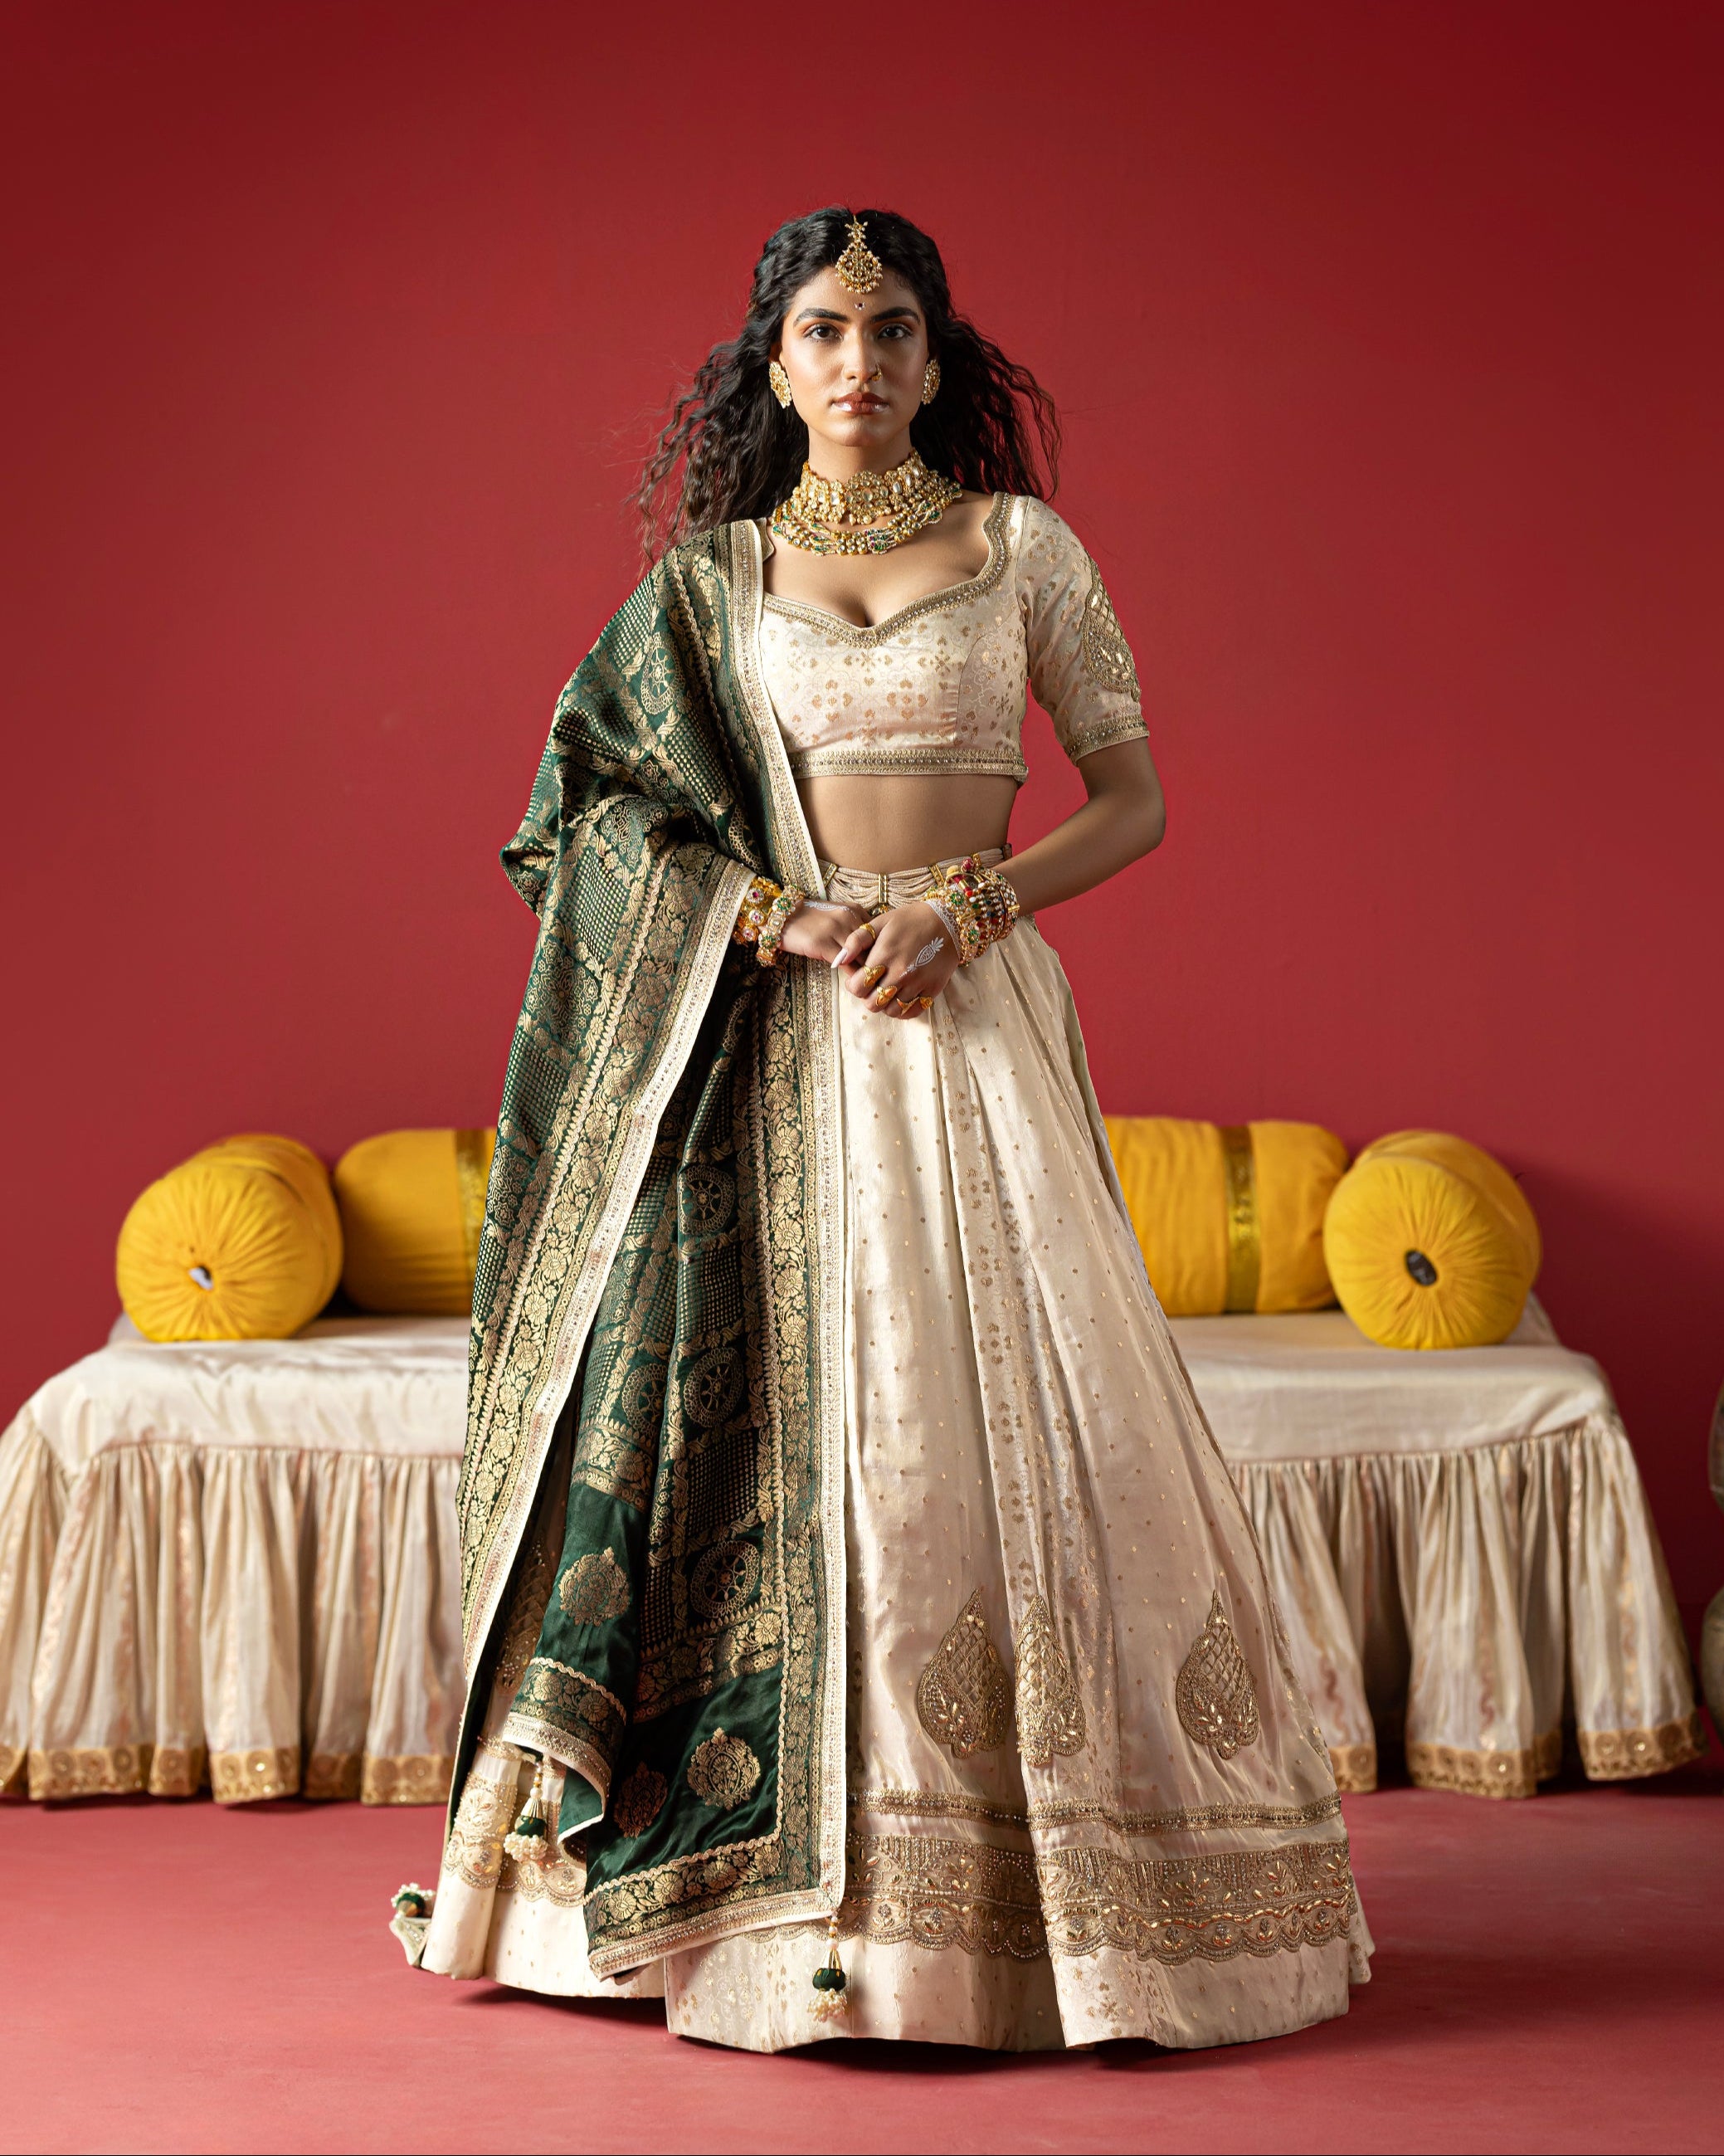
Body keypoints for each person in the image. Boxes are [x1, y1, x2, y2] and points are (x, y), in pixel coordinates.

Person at [412, 206, 1371, 2052]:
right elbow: (586, 818)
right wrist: (774, 918)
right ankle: (758, 1916)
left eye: (893, 328)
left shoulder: (1021, 550)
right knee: (792, 1438)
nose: (860, 360)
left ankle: (1045, 1914)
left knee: (1012, 1427)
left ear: (937, 359)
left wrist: (967, 907)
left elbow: (1132, 800)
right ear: (773, 368)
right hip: (764, 1041)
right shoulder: (706, 588)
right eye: (825, 330)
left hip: (968, 1022)